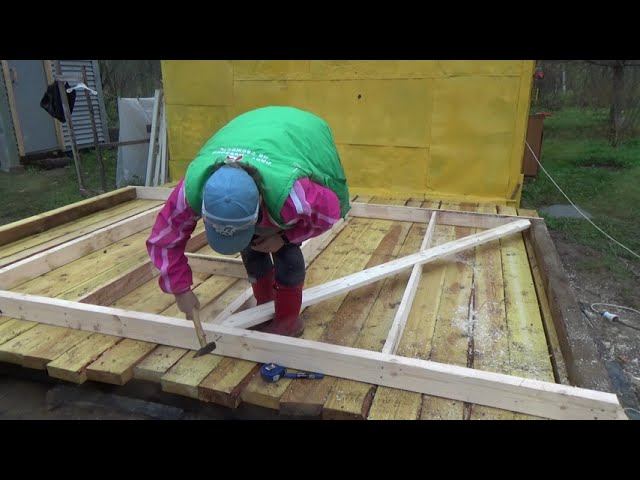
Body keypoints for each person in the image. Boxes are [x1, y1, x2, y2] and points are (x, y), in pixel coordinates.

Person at [146, 106, 351, 337]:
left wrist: (284, 238)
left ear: (260, 203)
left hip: (299, 133)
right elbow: (163, 239)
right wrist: (180, 290)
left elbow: (329, 213)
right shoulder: (192, 189)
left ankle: (288, 319)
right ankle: (265, 306)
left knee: (287, 256)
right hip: (249, 132)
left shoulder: (291, 195)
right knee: (251, 247)